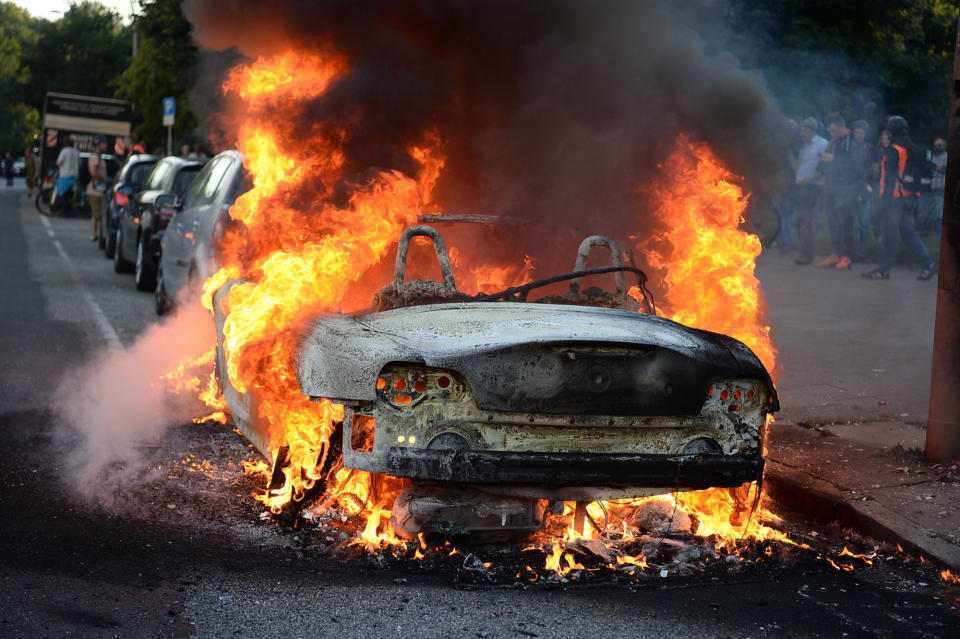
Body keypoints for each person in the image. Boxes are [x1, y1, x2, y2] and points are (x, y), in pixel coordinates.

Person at [863, 116, 938, 281]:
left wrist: (882, 201)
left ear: (890, 131)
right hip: (909, 198)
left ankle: (883, 270)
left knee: (889, 234)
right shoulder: (913, 147)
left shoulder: (894, 149)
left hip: (893, 199)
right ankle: (929, 265)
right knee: (909, 234)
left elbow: (890, 178)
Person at [814, 113, 867, 270]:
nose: (831, 133)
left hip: (848, 190)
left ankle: (847, 256)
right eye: (830, 130)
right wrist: (823, 162)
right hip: (831, 188)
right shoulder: (832, 142)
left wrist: (833, 159)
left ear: (841, 126)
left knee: (846, 224)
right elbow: (824, 164)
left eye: (833, 129)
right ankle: (834, 254)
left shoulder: (853, 143)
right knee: (833, 223)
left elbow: (858, 166)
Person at [793, 117, 829, 265]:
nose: (802, 132)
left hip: (814, 186)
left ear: (813, 131)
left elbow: (826, 166)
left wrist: (811, 177)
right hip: (801, 186)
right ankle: (805, 251)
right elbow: (797, 163)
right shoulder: (800, 145)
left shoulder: (822, 144)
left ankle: (807, 255)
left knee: (806, 219)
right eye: (802, 129)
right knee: (798, 220)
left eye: (805, 130)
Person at [850, 120, 878, 261]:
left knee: (864, 223)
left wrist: (868, 187)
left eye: (861, 132)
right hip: (850, 189)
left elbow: (875, 170)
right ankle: (850, 252)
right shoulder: (848, 147)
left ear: (865, 134)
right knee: (853, 223)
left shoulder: (871, 149)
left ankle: (861, 253)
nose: (859, 135)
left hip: (865, 189)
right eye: (856, 132)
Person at [920, 137, 947, 233]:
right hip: (927, 187)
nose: (936, 147)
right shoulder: (929, 155)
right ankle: (924, 230)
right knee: (924, 211)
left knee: (940, 212)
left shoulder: (947, 157)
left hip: (940, 188)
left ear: (945, 147)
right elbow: (923, 167)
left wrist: (934, 166)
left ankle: (938, 232)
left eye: (939, 145)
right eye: (935, 145)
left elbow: (944, 170)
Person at [87, 136, 109, 241]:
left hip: (98, 190)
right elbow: (94, 173)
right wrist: (104, 178)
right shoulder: (95, 157)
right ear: (98, 144)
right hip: (95, 190)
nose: (106, 145)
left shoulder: (99, 157)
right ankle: (100, 235)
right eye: (104, 143)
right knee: (98, 214)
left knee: (95, 215)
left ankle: (95, 234)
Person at [56, 136, 80, 215]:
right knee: (70, 195)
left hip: (65, 176)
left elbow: (59, 162)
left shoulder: (64, 151)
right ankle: (70, 210)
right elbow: (80, 164)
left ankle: (64, 210)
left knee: (62, 194)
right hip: (74, 178)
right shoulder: (76, 152)